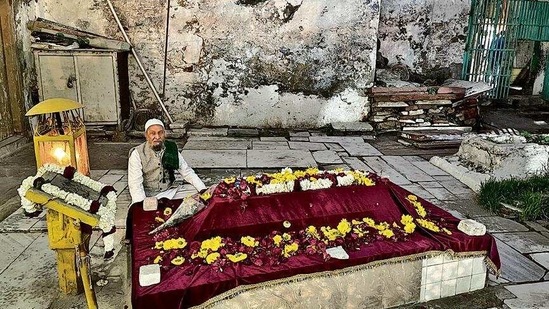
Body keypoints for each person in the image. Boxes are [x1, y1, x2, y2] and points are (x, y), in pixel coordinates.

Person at [127, 118, 206, 204]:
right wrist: (141, 204)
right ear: (146, 135)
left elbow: (186, 171)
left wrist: (203, 190)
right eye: (153, 133)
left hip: (169, 193)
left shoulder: (170, 148)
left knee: (196, 191)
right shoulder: (137, 153)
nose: (157, 137)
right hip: (148, 196)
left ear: (164, 134)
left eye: (160, 133)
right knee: (141, 209)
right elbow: (135, 184)